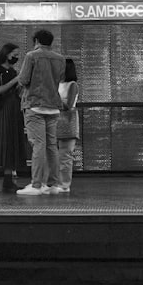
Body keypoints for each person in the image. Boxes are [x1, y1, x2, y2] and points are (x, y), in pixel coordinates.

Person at [16, 29, 67, 196]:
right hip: (53, 106)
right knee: (52, 146)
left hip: (35, 105)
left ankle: (36, 184)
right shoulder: (60, 59)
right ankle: (53, 184)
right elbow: (58, 79)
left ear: (36, 40)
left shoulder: (32, 56)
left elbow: (23, 80)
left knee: (38, 145)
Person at [0, 43, 28, 193]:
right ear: (6, 53)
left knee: (12, 142)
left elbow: (16, 90)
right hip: (4, 109)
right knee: (1, 142)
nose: (16, 57)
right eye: (14, 53)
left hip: (15, 107)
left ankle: (8, 181)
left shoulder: (13, 71)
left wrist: (21, 84)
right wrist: (15, 81)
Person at [57, 58, 80, 193]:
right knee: (54, 154)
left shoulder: (72, 85)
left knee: (65, 155)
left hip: (68, 120)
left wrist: (54, 97)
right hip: (55, 120)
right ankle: (54, 181)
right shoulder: (56, 84)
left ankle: (64, 184)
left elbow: (69, 105)